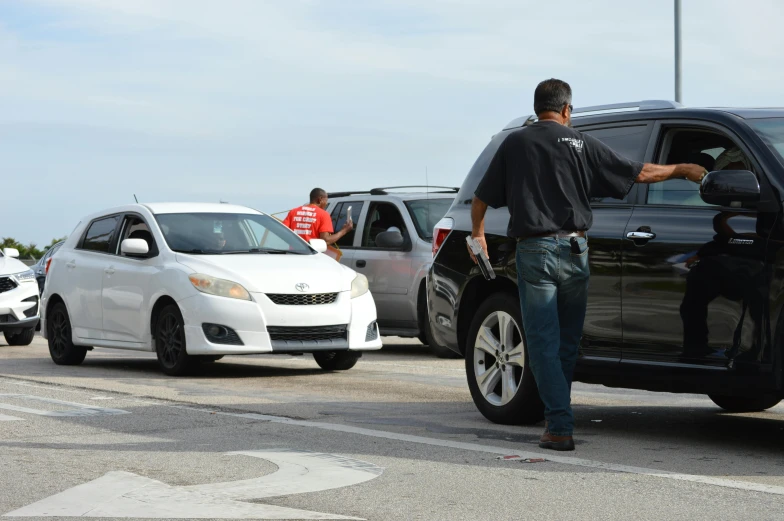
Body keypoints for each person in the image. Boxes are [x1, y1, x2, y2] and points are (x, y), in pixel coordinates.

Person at [469, 79, 707, 451]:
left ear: (538, 109)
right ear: (567, 110)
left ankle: (560, 425)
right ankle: (557, 419)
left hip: (536, 251)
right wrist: (685, 169)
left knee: (543, 343)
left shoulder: (516, 142)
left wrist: (479, 235)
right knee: (566, 343)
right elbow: (640, 173)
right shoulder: (581, 143)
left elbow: (481, 198)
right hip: (577, 250)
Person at [283, 188, 353, 245]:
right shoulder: (323, 214)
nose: (326, 204)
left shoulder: (293, 212)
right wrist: (344, 231)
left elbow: (282, 232)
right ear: (320, 199)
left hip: (293, 254)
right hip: (312, 255)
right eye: (326, 200)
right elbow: (326, 240)